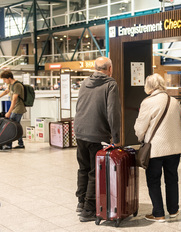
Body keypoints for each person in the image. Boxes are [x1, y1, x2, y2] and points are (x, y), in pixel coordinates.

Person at [74, 57, 121, 222]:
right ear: (109, 68)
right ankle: (88, 209)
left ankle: (80, 202)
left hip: (80, 131)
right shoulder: (110, 84)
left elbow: (79, 106)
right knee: (95, 172)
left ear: (95, 68)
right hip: (97, 134)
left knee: (83, 168)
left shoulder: (85, 82)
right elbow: (113, 112)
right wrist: (116, 137)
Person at [134, 73, 181, 222]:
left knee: (153, 180)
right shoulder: (174, 101)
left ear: (148, 86)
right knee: (172, 179)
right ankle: (174, 210)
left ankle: (158, 213)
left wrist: (140, 138)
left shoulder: (148, 102)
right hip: (174, 148)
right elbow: (179, 121)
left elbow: (140, 126)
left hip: (155, 148)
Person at [0, 70, 26, 150]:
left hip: (18, 109)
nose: (4, 81)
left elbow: (14, 100)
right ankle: (21, 144)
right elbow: (6, 91)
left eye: (4, 79)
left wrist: (9, 112)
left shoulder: (17, 85)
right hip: (15, 108)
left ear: (9, 78)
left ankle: (8, 145)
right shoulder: (11, 84)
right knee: (16, 125)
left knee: (10, 126)